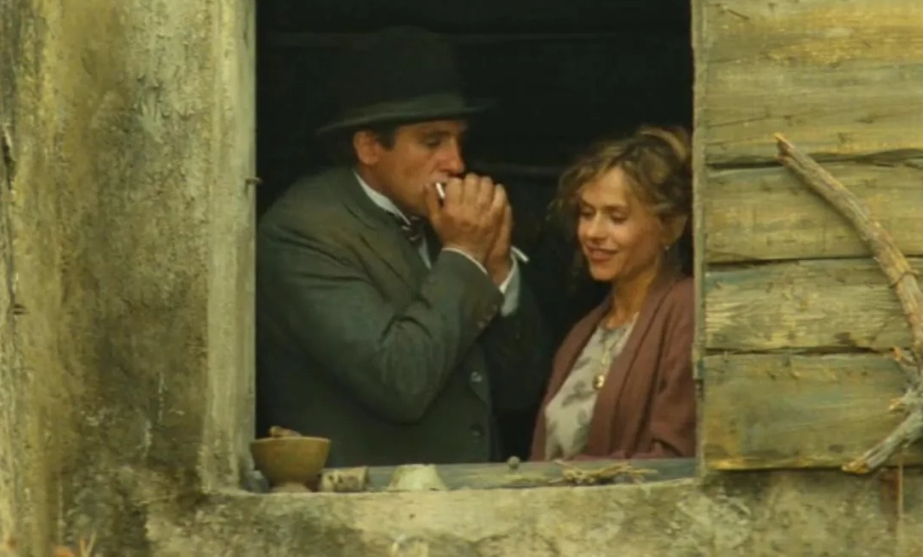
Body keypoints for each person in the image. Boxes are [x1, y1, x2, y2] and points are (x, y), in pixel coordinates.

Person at [256, 27, 547, 467]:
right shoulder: (302, 232)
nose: (456, 163)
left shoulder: (439, 219)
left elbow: (520, 390)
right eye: (433, 141)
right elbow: (399, 383)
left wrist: (500, 269)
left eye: (458, 139)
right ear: (370, 146)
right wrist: (465, 254)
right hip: (362, 518)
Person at [530, 126, 697, 461]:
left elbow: (677, 458)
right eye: (587, 213)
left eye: (616, 217)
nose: (593, 233)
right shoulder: (584, 332)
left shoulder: (688, 310)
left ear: (671, 226)